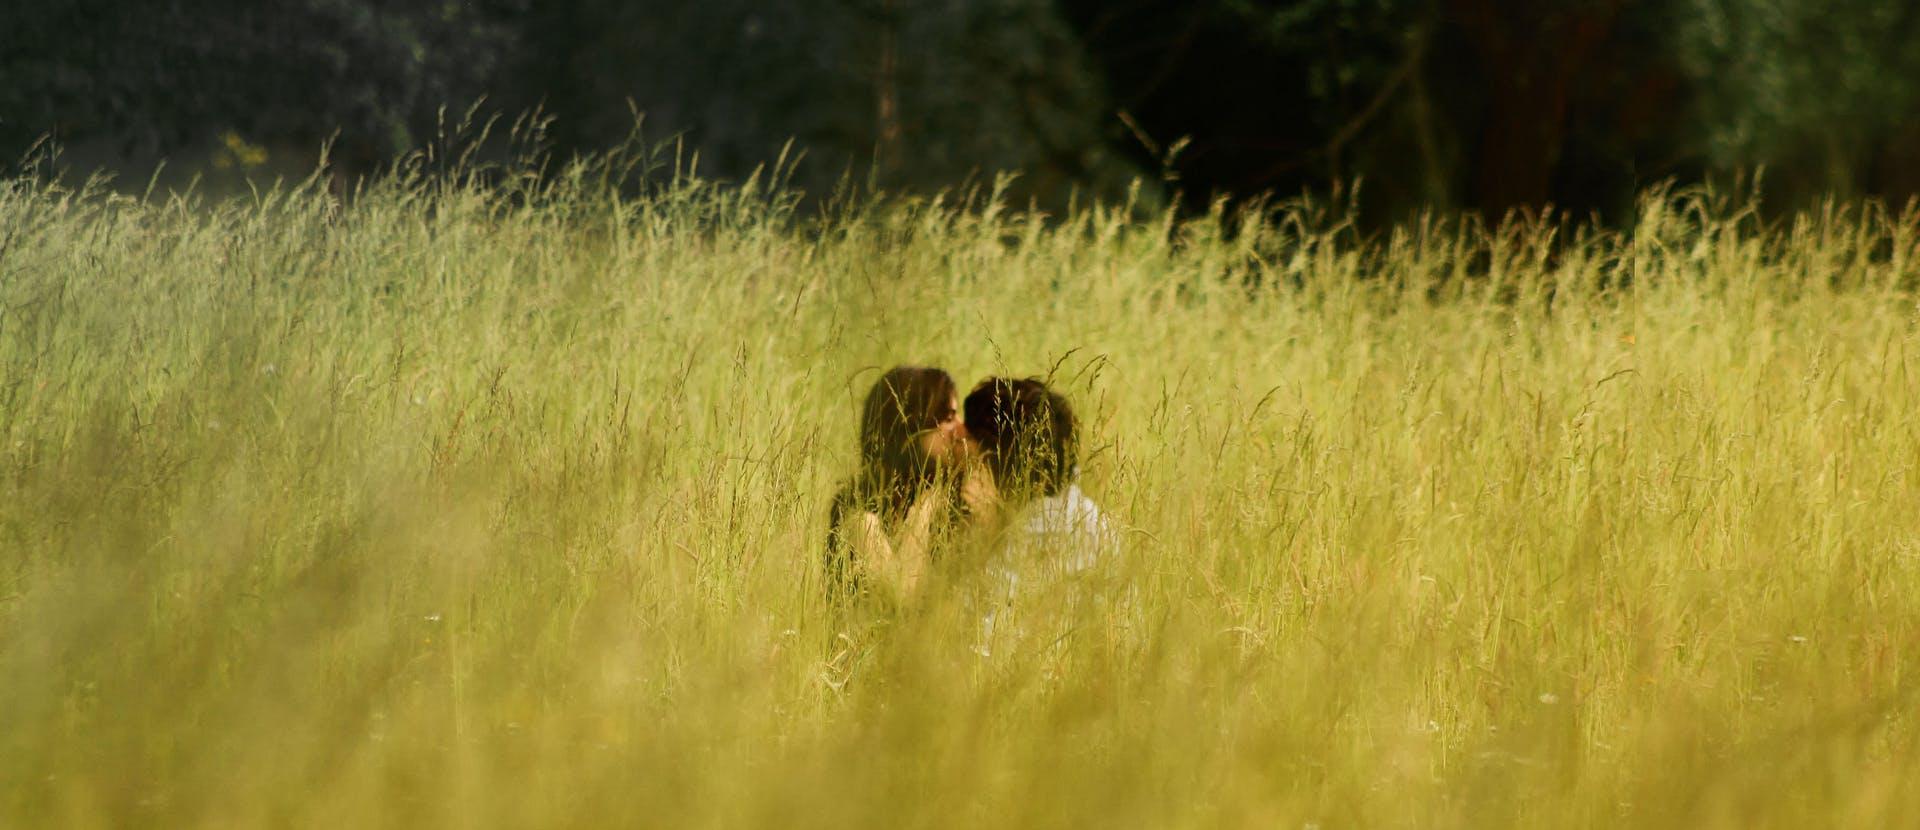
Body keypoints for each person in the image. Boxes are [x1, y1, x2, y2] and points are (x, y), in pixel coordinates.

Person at [960, 377, 1120, 640]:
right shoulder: (1090, 517)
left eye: (970, 449)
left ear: (989, 457)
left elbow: (980, 644)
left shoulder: (1026, 539)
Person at [824, 366, 971, 604]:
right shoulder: (860, 515)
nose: (961, 430)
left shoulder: (947, 501)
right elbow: (901, 603)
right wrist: (927, 506)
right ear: (909, 428)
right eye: (948, 418)